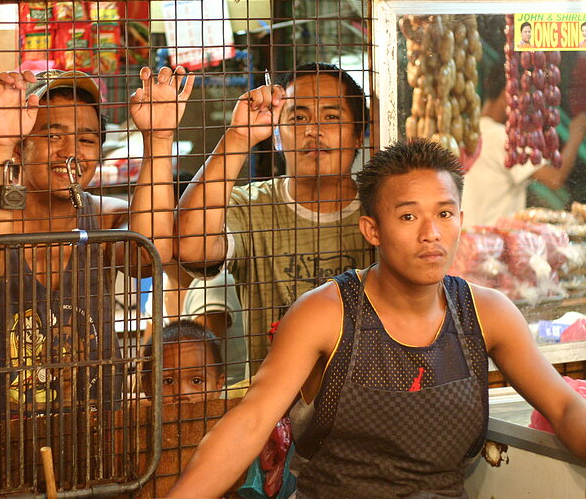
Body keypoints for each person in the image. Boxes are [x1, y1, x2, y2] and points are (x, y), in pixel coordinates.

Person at [166, 140, 586, 498]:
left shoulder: (487, 314)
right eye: (408, 216)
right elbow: (249, 422)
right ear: (372, 229)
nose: (431, 233)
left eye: (444, 213)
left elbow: (564, 407)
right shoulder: (325, 313)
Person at [0, 66, 193, 410]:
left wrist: (157, 139)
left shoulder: (103, 215)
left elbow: (148, 257)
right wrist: (1, 143)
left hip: (97, 425)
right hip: (3, 424)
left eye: (86, 140)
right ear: (22, 148)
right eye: (52, 136)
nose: (71, 153)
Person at [176, 62, 373, 372]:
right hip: (276, 408)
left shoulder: (382, 209)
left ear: (359, 135)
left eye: (332, 117)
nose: (313, 130)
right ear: (279, 134)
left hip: (368, 394)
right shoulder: (252, 207)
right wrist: (239, 136)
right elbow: (191, 246)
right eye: (298, 117)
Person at [462, 63, 586, 226]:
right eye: (527, 98)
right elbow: (554, 179)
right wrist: (576, 135)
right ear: (509, 93)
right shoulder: (505, 137)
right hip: (492, 243)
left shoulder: (469, 132)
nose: (529, 108)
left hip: (468, 238)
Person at [181, 271, 247, 387]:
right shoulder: (162, 284)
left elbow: (195, 366)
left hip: (228, 392)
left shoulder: (212, 285)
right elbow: (147, 367)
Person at [141, 320, 226, 404]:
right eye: (168, 381)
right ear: (148, 387)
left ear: (218, 385)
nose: (183, 393)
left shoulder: (231, 417)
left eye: (197, 381)